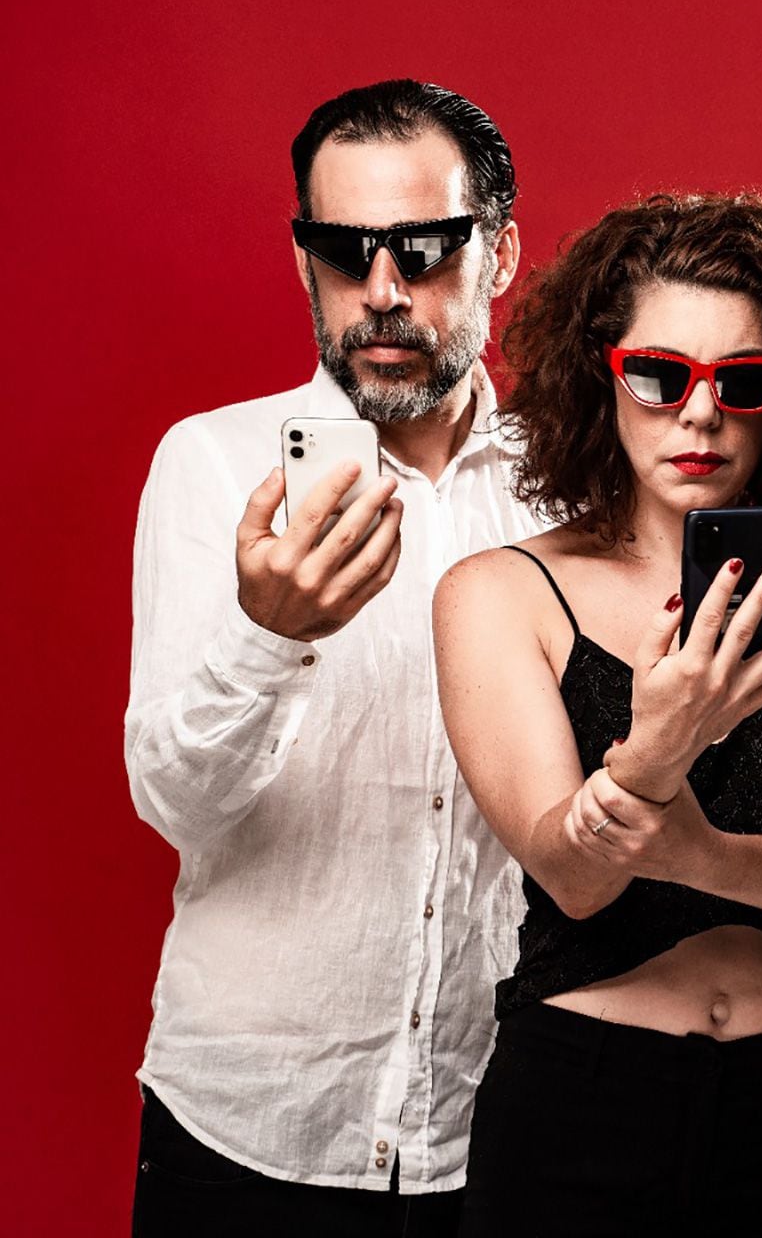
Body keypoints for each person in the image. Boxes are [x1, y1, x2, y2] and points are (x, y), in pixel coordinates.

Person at [433, 192, 762, 1234]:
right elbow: (573, 874)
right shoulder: (501, 593)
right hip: (580, 1104)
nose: (700, 415)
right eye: (659, 376)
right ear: (599, 379)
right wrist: (659, 746)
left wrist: (698, 853)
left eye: (741, 380)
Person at [125, 80, 535, 1234]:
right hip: (250, 1128)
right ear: (303, 256)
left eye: (424, 248)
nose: (383, 291)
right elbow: (174, 800)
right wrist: (272, 634)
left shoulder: (574, 487)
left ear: (501, 253)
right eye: (345, 251)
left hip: (499, 1128)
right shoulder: (216, 465)